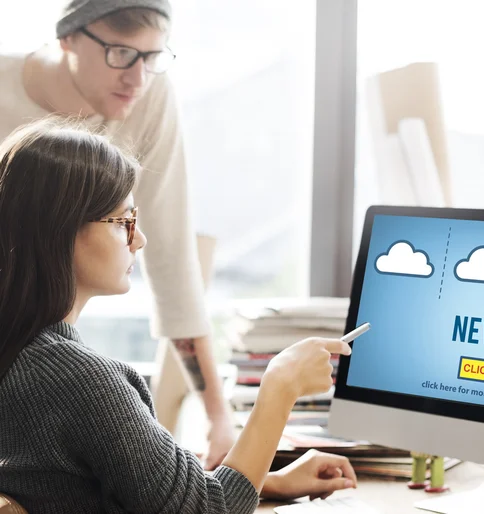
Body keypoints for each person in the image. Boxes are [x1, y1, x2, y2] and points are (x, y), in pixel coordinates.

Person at [0, 118, 357, 513]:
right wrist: (281, 387)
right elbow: (208, 510)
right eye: (124, 222)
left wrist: (266, 482)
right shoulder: (79, 381)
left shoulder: (22, 357)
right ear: (60, 231)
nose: (140, 239)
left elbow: (107, 488)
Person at [0, 0, 235, 468]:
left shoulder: (150, 93)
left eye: (153, 57)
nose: (138, 78)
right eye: (121, 53)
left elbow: (170, 256)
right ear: (67, 37)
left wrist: (218, 417)